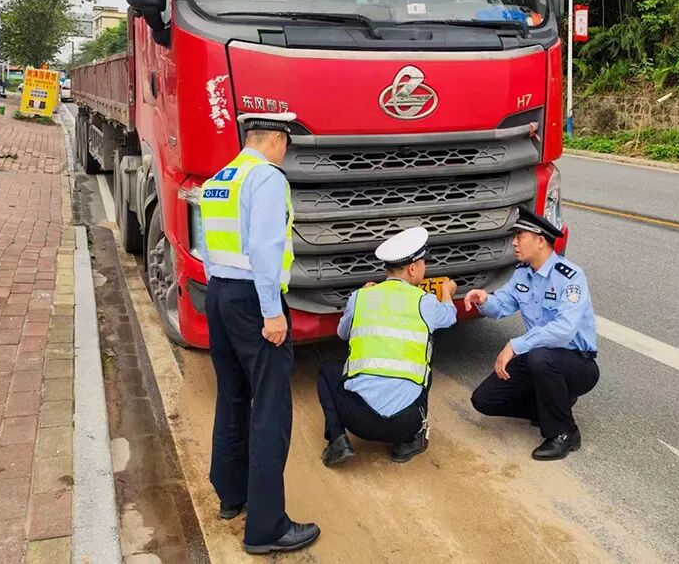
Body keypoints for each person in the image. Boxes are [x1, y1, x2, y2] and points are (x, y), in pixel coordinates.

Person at [199, 111, 320, 555]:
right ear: (277, 140)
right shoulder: (267, 178)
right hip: (254, 300)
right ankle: (267, 527)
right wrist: (273, 314)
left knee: (231, 395)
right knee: (270, 407)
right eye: (287, 142)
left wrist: (221, 294)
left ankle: (231, 495)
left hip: (220, 294)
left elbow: (212, 244)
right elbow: (266, 249)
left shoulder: (221, 178)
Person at [466, 207, 599, 461]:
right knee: (484, 400)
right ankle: (550, 406)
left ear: (540, 241)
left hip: (577, 363)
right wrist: (484, 300)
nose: (514, 242)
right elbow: (502, 305)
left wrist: (515, 346)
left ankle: (564, 433)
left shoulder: (569, 277)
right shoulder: (522, 274)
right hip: (541, 358)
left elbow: (564, 330)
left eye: (520, 236)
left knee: (539, 357)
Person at [317, 227, 457, 466]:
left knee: (327, 370)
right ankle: (409, 442)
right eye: (423, 263)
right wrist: (448, 293)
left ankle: (338, 440)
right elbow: (450, 316)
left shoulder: (360, 297)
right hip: (406, 421)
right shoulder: (425, 302)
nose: (425, 268)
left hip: (358, 420)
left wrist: (363, 297)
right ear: (412, 269)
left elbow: (343, 334)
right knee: (425, 357)